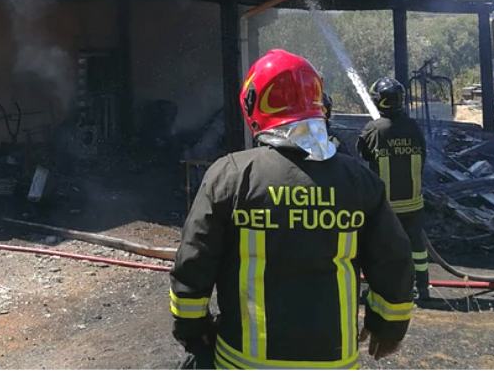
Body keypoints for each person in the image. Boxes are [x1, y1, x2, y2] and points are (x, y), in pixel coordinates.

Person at [170, 50, 414, 370]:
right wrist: (388, 326)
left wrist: (192, 331)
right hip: (334, 363)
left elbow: (193, 263)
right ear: (318, 102)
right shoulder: (360, 181)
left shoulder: (229, 175)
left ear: (253, 104)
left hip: (244, 362)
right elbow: (394, 262)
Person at [356, 77, 430, 300]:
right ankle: (422, 288)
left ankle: (380, 288)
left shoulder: (374, 130)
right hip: (414, 203)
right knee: (417, 247)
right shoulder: (414, 127)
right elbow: (424, 156)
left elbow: (362, 157)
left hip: (385, 205)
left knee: (378, 247)